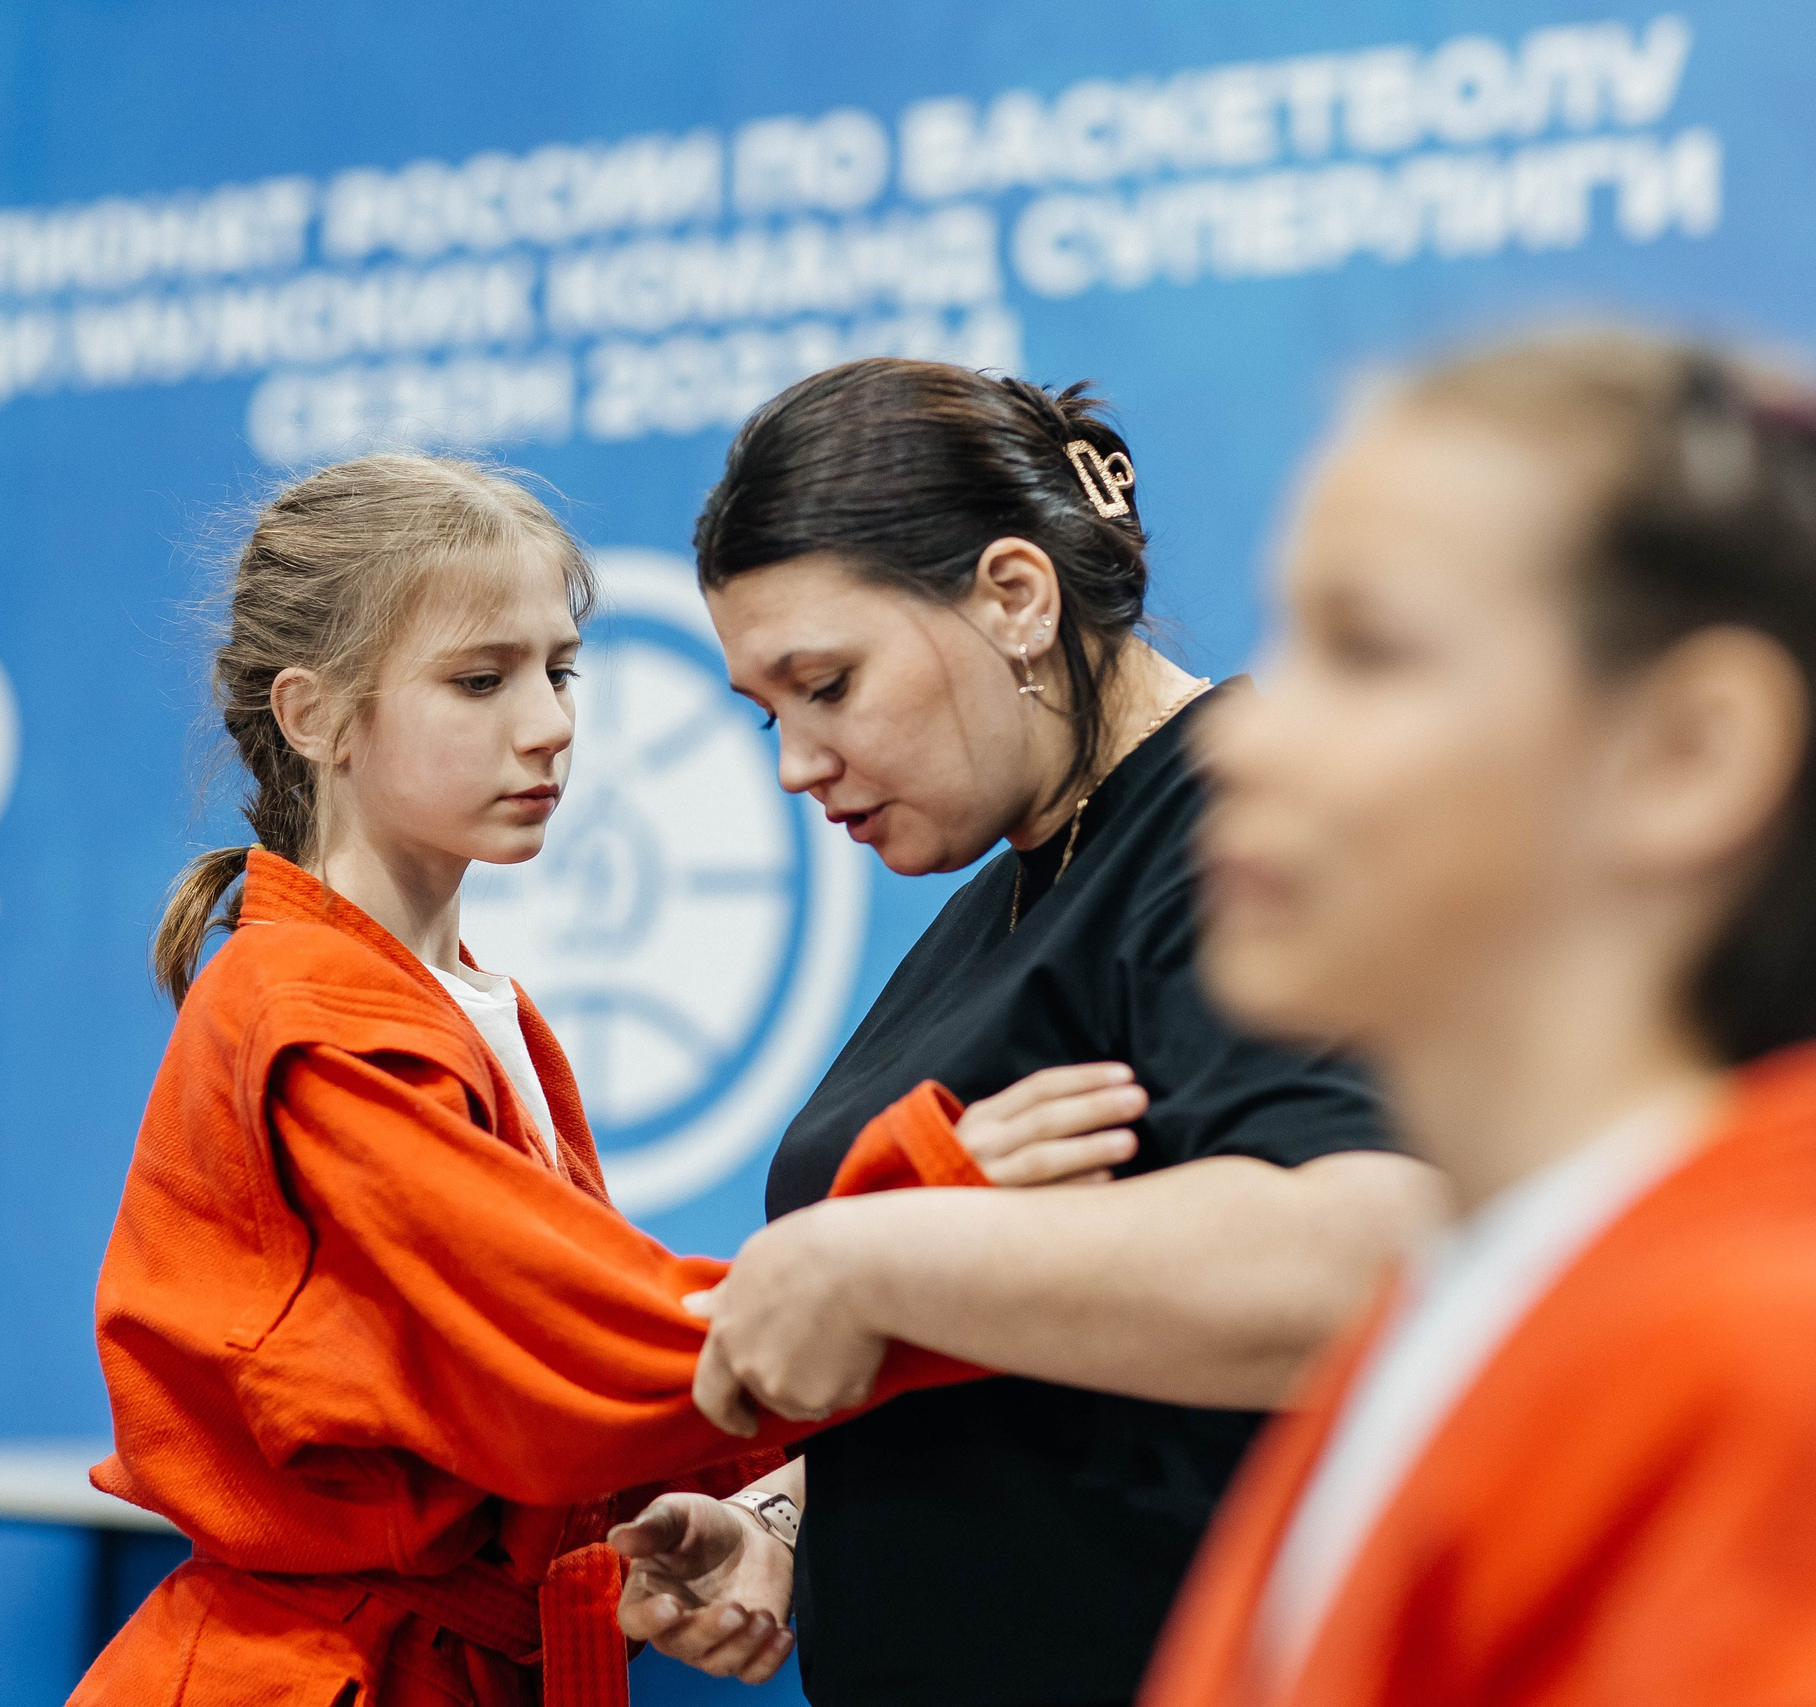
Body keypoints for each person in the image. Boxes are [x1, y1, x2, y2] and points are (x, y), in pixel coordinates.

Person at [70, 453, 1133, 1707]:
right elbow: (574, 1358)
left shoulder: (473, 1005)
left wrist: (640, 1525)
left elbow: (490, 1399)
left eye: (560, 670)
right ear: (313, 717)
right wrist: (922, 1224)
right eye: (479, 680)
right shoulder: (304, 1009)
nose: (550, 724)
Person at [609, 360, 1442, 1706]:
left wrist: (878, 1253)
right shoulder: (1016, 881)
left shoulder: (1248, 834)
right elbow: (1068, 1369)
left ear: (1013, 593)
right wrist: (793, 1516)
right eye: (770, 710)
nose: (793, 761)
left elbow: (1371, 1258)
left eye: (827, 683)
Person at [1139, 330, 1816, 1704]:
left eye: (1367, 650)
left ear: (1689, 749)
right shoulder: (1456, 1312)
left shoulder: (1797, 1366)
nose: (1242, 735)